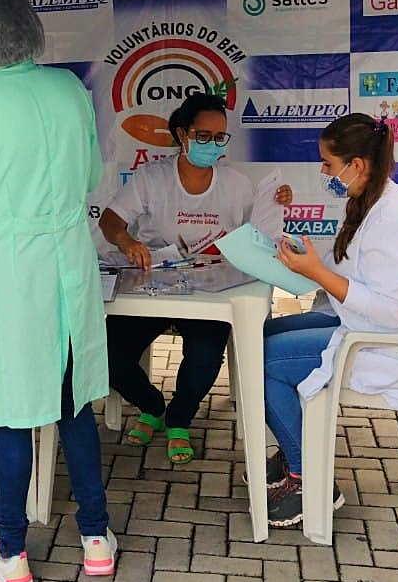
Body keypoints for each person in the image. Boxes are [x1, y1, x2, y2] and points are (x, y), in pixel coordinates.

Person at [0, 0, 116, 582]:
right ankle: (96, 538)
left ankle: (11, 553)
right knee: (73, 404)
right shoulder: (70, 89)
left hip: (12, 267)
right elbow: (92, 175)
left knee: (13, 413)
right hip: (69, 257)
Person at [260, 113, 398, 529]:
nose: (324, 173)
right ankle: (294, 444)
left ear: (357, 165)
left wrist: (316, 272)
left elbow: (390, 310)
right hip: (364, 329)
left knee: (261, 362)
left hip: (391, 348)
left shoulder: (394, 218)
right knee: (267, 333)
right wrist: (306, 261)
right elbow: (357, 273)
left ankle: (309, 480)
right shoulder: (372, 201)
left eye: (327, 164)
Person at [99, 93, 273, 465]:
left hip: (211, 291)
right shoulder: (152, 178)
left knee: (207, 351)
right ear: (182, 134)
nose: (212, 145)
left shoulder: (237, 184)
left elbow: (258, 234)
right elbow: (110, 220)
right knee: (106, 351)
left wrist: (277, 204)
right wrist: (128, 241)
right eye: (203, 136)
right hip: (152, 285)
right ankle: (151, 404)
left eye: (220, 137)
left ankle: (180, 418)